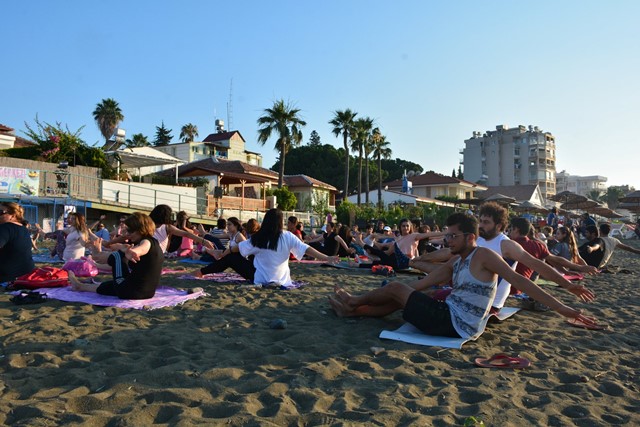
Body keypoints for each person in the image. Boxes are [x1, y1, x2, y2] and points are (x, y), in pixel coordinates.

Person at [329, 213, 596, 339]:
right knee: (409, 292)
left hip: (457, 324)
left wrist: (564, 308)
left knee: (399, 289)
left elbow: (523, 281)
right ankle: (354, 311)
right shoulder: (457, 260)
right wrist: (411, 271)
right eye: (447, 235)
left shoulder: (485, 255)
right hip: (452, 316)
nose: (448, 240)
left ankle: (353, 302)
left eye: (452, 236)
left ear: (471, 237)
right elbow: (420, 284)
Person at [408, 202, 595, 310]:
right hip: (464, 290)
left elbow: (538, 265)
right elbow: (449, 252)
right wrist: (421, 259)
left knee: (424, 297)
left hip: (488, 303)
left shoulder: (505, 245)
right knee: (427, 288)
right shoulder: (478, 239)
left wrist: (569, 285)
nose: (481, 225)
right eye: (480, 221)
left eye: (486, 222)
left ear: (499, 226)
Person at [68, 212, 164, 299]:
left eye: (130, 230)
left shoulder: (146, 241)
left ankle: (97, 255)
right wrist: (122, 248)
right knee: (108, 286)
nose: (128, 234)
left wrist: (132, 252)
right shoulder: (153, 242)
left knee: (118, 256)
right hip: (146, 293)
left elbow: (143, 248)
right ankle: (79, 286)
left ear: (140, 230)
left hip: (131, 292)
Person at [233, 208, 339, 287]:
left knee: (232, 258)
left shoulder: (259, 237)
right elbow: (306, 248)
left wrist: (224, 252)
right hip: (282, 280)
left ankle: (215, 268)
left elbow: (239, 248)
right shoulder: (287, 236)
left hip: (261, 279)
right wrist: (326, 257)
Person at [508, 217, 597, 280]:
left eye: (510, 229)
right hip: (535, 277)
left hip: (522, 279)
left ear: (516, 229)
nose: (509, 232)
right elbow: (554, 259)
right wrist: (580, 268)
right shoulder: (540, 244)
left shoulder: (510, 244)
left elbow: (552, 261)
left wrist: (571, 270)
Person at [0, 202, 36, 283]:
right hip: (26, 275)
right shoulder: (23, 229)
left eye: (1, 212)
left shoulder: (5, 228)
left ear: (12, 215)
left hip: (8, 277)